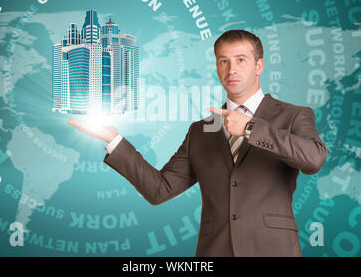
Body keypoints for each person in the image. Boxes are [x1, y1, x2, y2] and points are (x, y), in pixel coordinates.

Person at [68, 30, 327, 257]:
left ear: (259, 66)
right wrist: (114, 140)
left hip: (272, 249)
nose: (231, 69)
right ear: (216, 67)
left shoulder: (293, 115)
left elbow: (314, 159)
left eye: (240, 60)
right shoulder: (201, 130)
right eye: (223, 61)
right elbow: (160, 190)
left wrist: (250, 128)